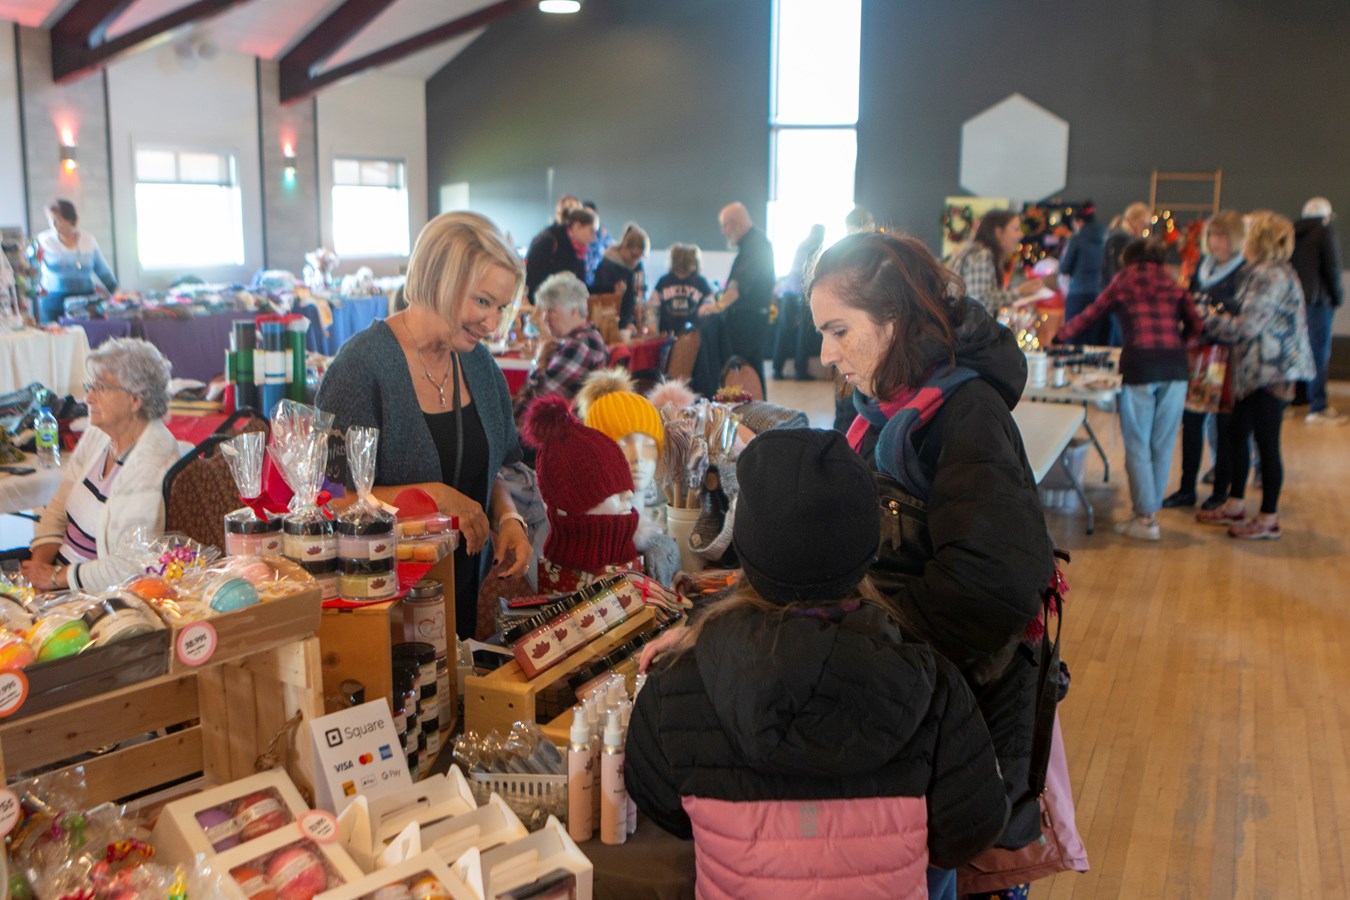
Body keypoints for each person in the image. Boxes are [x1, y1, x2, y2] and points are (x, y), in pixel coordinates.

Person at [626, 428, 1008, 899]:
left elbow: (662, 806)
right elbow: (970, 828)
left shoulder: (676, 687)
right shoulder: (933, 684)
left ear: (745, 546)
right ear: (867, 548)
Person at [808, 231, 1057, 862]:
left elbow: (990, 586)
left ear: (892, 319)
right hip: (918, 689)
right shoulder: (878, 405)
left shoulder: (966, 414)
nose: (826, 352)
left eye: (839, 330)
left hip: (957, 700)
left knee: (935, 864)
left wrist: (868, 640)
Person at [316, 212, 533, 637]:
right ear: (439, 281)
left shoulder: (478, 363)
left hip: (461, 595)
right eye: (482, 302)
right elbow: (329, 503)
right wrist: (433, 498)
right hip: (381, 607)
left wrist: (509, 519)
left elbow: (489, 469)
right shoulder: (361, 368)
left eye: (501, 307)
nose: (491, 324)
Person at [1056, 238, 1203, 541]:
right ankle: (1151, 514)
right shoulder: (1172, 282)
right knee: (1162, 444)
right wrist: (1181, 343)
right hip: (1175, 369)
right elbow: (1197, 324)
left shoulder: (1124, 280)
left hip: (1140, 366)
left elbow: (1091, 314)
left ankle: (1145, 518)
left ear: (1129, 259)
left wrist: (1060, 338)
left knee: (1137, 443)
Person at [22, 339, 178, 591]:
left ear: (136, 399)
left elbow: (132, 566)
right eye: (90, 386)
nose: (88, 397)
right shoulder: (100, 434)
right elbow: (59, 505)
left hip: (93, 594)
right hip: (55, 575)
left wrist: (54, 579)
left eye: (100, 388)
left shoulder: (151, 460)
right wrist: (37, 571)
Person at [1197, 213, 1315, 540]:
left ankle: (1268, 518)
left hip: (1270, 371)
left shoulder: (1270, 276)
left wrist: (1205, 319)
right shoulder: (1264, 272)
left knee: (1265, 441)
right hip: (1257, 370)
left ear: (1258, 241)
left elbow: (1246, 327)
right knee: (1237, 433)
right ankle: (1236, 503)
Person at [1163, 210, 1247, 510]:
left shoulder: (1243, 271)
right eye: (1213, 235)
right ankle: (1187, 488)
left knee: (1224, 427)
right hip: (1198, 354)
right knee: (1192, 421)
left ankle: (1220, 491)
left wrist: (1208, 314)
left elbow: (1240, 317)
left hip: (1227, 358)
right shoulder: (1202, 266)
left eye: (1223, 236)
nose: (1216, 242)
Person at [700, 202, 775, 394]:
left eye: (725, 225)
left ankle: (753, 417)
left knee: (746, 373)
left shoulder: (755, 245)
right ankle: (755, 416)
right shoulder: (753, 244)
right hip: (748, 320)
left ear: (736, 223)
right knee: (749, 371)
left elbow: (739, 285)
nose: (723, 231)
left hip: (748, 322)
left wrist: (717, 307)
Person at [514, 271, 608, 412]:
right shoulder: (580, 339)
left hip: (556, 429)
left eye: (552, 311)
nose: (545, 318)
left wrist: (539, 360)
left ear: (574, 311)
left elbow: (538, 399)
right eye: (544, 311)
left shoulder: (580, 345)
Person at [1290, 197, 1344, 423]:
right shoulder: (1324, 232)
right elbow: (1332, 268)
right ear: (1326, 215)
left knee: (1297, 350)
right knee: (1319, 353)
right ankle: (1318, 406)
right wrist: (1337, 297)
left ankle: (1298, 399)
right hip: (1318, 302)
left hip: (1294, 302)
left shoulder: (1292, 231)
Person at [31, 199, 117, 324]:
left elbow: (102, 270)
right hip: (53, 304)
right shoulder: (44, 240)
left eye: (57, 220)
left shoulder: (88, 240)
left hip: (85, 303)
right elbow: (31, 269)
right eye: (51, 220)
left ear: (70, 220)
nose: (53, 224)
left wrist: (115, 291)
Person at [947, 210, 1044, 318]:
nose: (1021, 234)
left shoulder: (978, 252)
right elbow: (981, 301)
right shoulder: (982, 255)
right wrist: (1019, 292)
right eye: (1016, 229)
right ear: (998, 232)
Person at [772, 224, 825, 381]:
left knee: (784, 330)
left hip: (788, 291)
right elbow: (809, 273)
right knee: (803, 333)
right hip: (801, 293)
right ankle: (800, 371)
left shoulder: (803, 244)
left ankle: (777, 369)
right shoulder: (814, 246)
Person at [524, 206, 597, 304]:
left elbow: (581, 286)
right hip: (544, 305)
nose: (594, 238)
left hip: (564, 307)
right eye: (591, 231)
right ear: (577, 226)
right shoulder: (549, 240)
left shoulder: (579, 249)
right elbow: (533, 279)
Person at [1057, 202, 1106, 342]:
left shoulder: (1076, 240)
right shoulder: (1104, 238)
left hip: (1078, 293)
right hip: (1098, 293)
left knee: (1073, 335)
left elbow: (1064, 268)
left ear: (1078, 222)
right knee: (1093, 337)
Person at [590, 223, 649, 330]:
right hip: (611, 322)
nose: (635, 261)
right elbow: (601, 298)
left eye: (640, 258)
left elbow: (640, 292)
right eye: (633, 256)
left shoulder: (637, 266)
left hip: (632, 321)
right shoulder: (607, 266)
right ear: (624, 247)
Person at [647, 243, 713, 334]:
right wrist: (652, 324)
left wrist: (706, 307)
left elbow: (710, 301)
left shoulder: (700, 282)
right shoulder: (664, 281)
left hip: (694, 335)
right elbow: (652, 307)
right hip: (667, 333)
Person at [581, 200, 613, 287]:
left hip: (599, 281)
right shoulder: (578, 235)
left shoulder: (604, 234)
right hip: (582, 281)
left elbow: (611, 255)